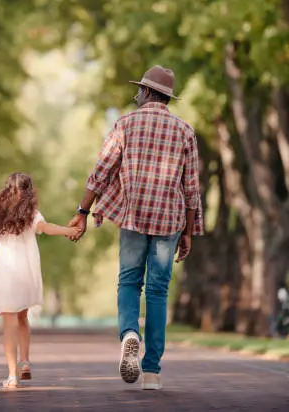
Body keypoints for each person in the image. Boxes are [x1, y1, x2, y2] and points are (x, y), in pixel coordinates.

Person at [69, 66, 204, 391]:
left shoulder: (125, 124)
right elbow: (191, 188)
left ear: (146, 92)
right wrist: (188, 230)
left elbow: (100, 171)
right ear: (167, 97)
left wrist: (82, 212)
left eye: (139, 90)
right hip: (169, 219)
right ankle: (152, 373)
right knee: (158, 291)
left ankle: (130, 332)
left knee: (129, 282)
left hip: (133, 216)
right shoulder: (184, 130)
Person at [0, 172, 79, 389]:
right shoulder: (31, 213)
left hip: (6, 276)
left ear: (7, 190)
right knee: (23, 317)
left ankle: (12, 376)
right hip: (27, 274)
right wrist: (69, 230)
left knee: (9, 325)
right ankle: (24, 361)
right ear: (29, 192)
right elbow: (48, 228)